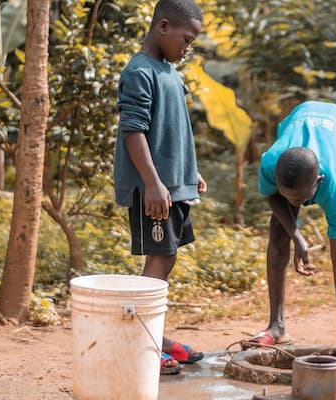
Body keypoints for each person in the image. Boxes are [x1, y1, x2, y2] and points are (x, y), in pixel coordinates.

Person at [113, 0, 206, 375]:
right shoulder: (139, 71)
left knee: (167, 257)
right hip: (153, 189)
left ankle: (156, 336)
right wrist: (152, 183)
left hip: (173, 186)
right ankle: (140, 342)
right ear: (163, 27)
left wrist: (190, 172)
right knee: (159, 258)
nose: (188, 48)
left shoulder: (169, 71)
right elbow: (133, 130)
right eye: (186, 39)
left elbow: (176, 128)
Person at [248, 100, 336, 360]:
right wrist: (296, 234)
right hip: (298, 139)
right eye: (290, 198)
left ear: (319, 182)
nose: (298, 205)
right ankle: (277, 325)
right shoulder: (271, 162)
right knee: (278, 231)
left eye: (301, 199)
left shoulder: (334, 185)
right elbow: (272, 196)